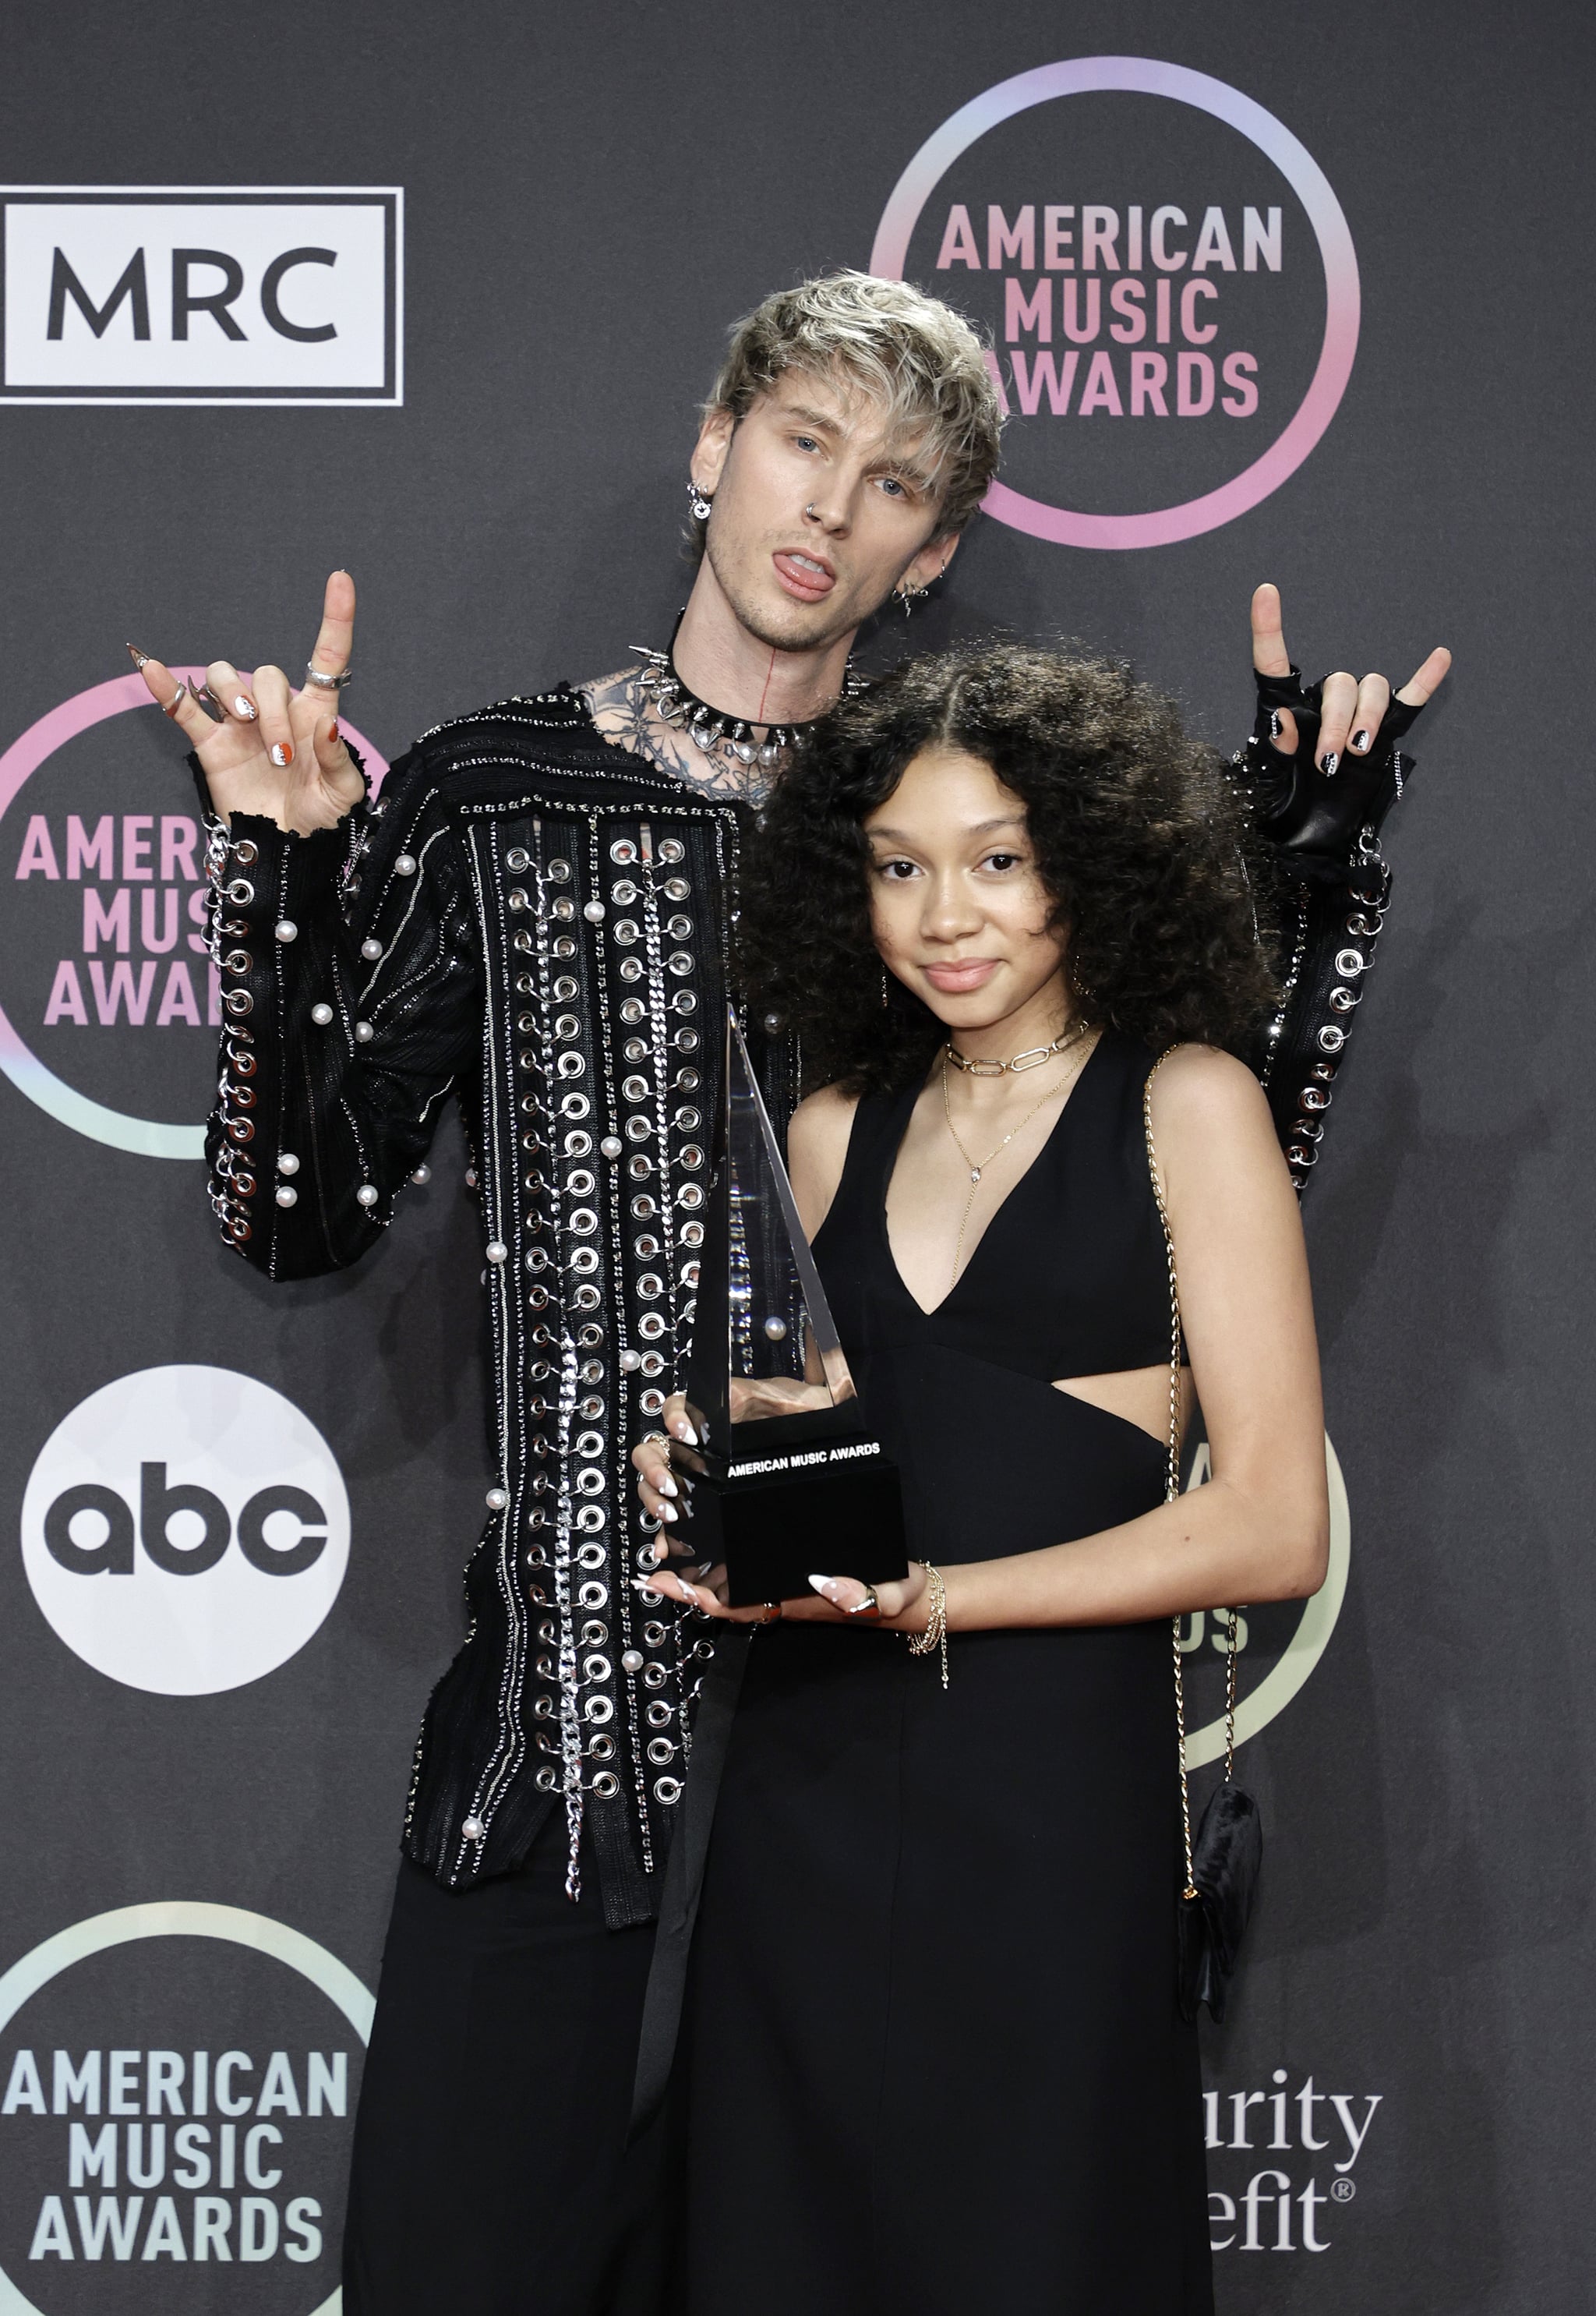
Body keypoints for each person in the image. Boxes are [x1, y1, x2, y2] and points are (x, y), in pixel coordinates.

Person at [131, 270, 1443, 2314]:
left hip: (890, 1753)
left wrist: (1306, 887)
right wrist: (282, 877)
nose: (832, 502)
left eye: (897, 480)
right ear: (715, 449)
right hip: (562, 1756)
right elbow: (297, 1219)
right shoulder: (494, 794)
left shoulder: (946, 855)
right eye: (807, 439)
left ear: (932, 552)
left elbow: (1165, 1205)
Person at [634, 642, 1339, 2314]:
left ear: (1089, 863)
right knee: (774, 2246)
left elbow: (1273, 1523)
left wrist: (947, 1598)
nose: (944, 914)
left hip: (1046, 1810)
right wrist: (718, 1482)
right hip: (803, 1788)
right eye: (897, 866)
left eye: (997, 860)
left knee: (1035, 2242)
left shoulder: (1185, 1104)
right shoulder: (830, 1127)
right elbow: (825, 1457)